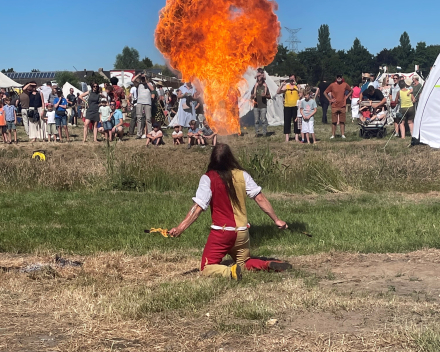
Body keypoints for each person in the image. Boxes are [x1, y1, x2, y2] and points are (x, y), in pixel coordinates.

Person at [168, 144, 291, 280]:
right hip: (242, 233)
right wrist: (276, 220)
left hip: (222, 233)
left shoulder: (208, 178)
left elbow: (198, 207)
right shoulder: (242, 175)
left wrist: (181, 227)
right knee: (244, 262)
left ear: (213, 159)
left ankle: (230, 272)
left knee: (205, 268)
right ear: (230, 158)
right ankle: (267, 264)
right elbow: (260, 198)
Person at [324, 74, 352, 139]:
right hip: (334, 105)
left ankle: (342, 134)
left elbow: (351, 90)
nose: (339, 78)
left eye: (340, 77)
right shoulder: (332, 85)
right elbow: (325, 92)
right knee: (334, 121)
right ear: (336, 78)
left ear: (342, 78)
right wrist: (330, 99)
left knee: (342, 121)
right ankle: (333, 135)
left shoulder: (345, 84)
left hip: (342, 105)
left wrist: (347, 97)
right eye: (337, 77)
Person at [277, 74, 301, 142]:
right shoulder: (286, 86)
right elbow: (278, 92)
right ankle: (287, 137)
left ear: (295, 79)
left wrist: (296, 85)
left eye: (293, 79)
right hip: (287, 106)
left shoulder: (297, 86)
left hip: (296, 106)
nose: (291, 81)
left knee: (296, 121)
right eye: (290, 79)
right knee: (287, 121)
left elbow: (301, 93)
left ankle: (296, 137)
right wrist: (282, 85)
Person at [132, 73, 154, 138]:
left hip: (148, 102)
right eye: (142, 78)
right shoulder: (139, 84)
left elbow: (152, 89)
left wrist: (146, 80)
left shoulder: (149, 84)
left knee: (148, 118)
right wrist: (138, 75)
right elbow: (133, 80)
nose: (143, 79)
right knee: (139, 118)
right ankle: (139, 134)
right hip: (140, 102)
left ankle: (150, 133)